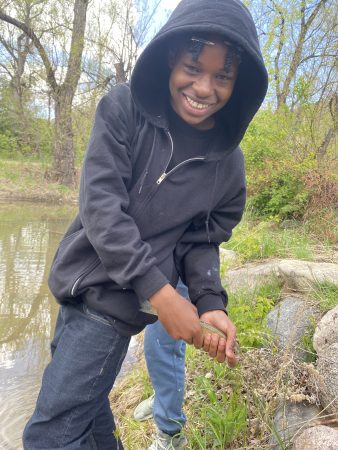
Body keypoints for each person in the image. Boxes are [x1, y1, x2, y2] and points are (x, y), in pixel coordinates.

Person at [23, 0, 268, 449]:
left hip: (112, 310)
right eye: (193, 67)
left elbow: (202, 240)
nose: (204, 87)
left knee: (50, 436)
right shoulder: (124, 109)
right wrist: (160, 293)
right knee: (90, 420)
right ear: (171, 56)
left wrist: (209, 299)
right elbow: (100, 206)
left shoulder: (227, 165)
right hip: (76, 286)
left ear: (240, 82)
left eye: (222, 77)